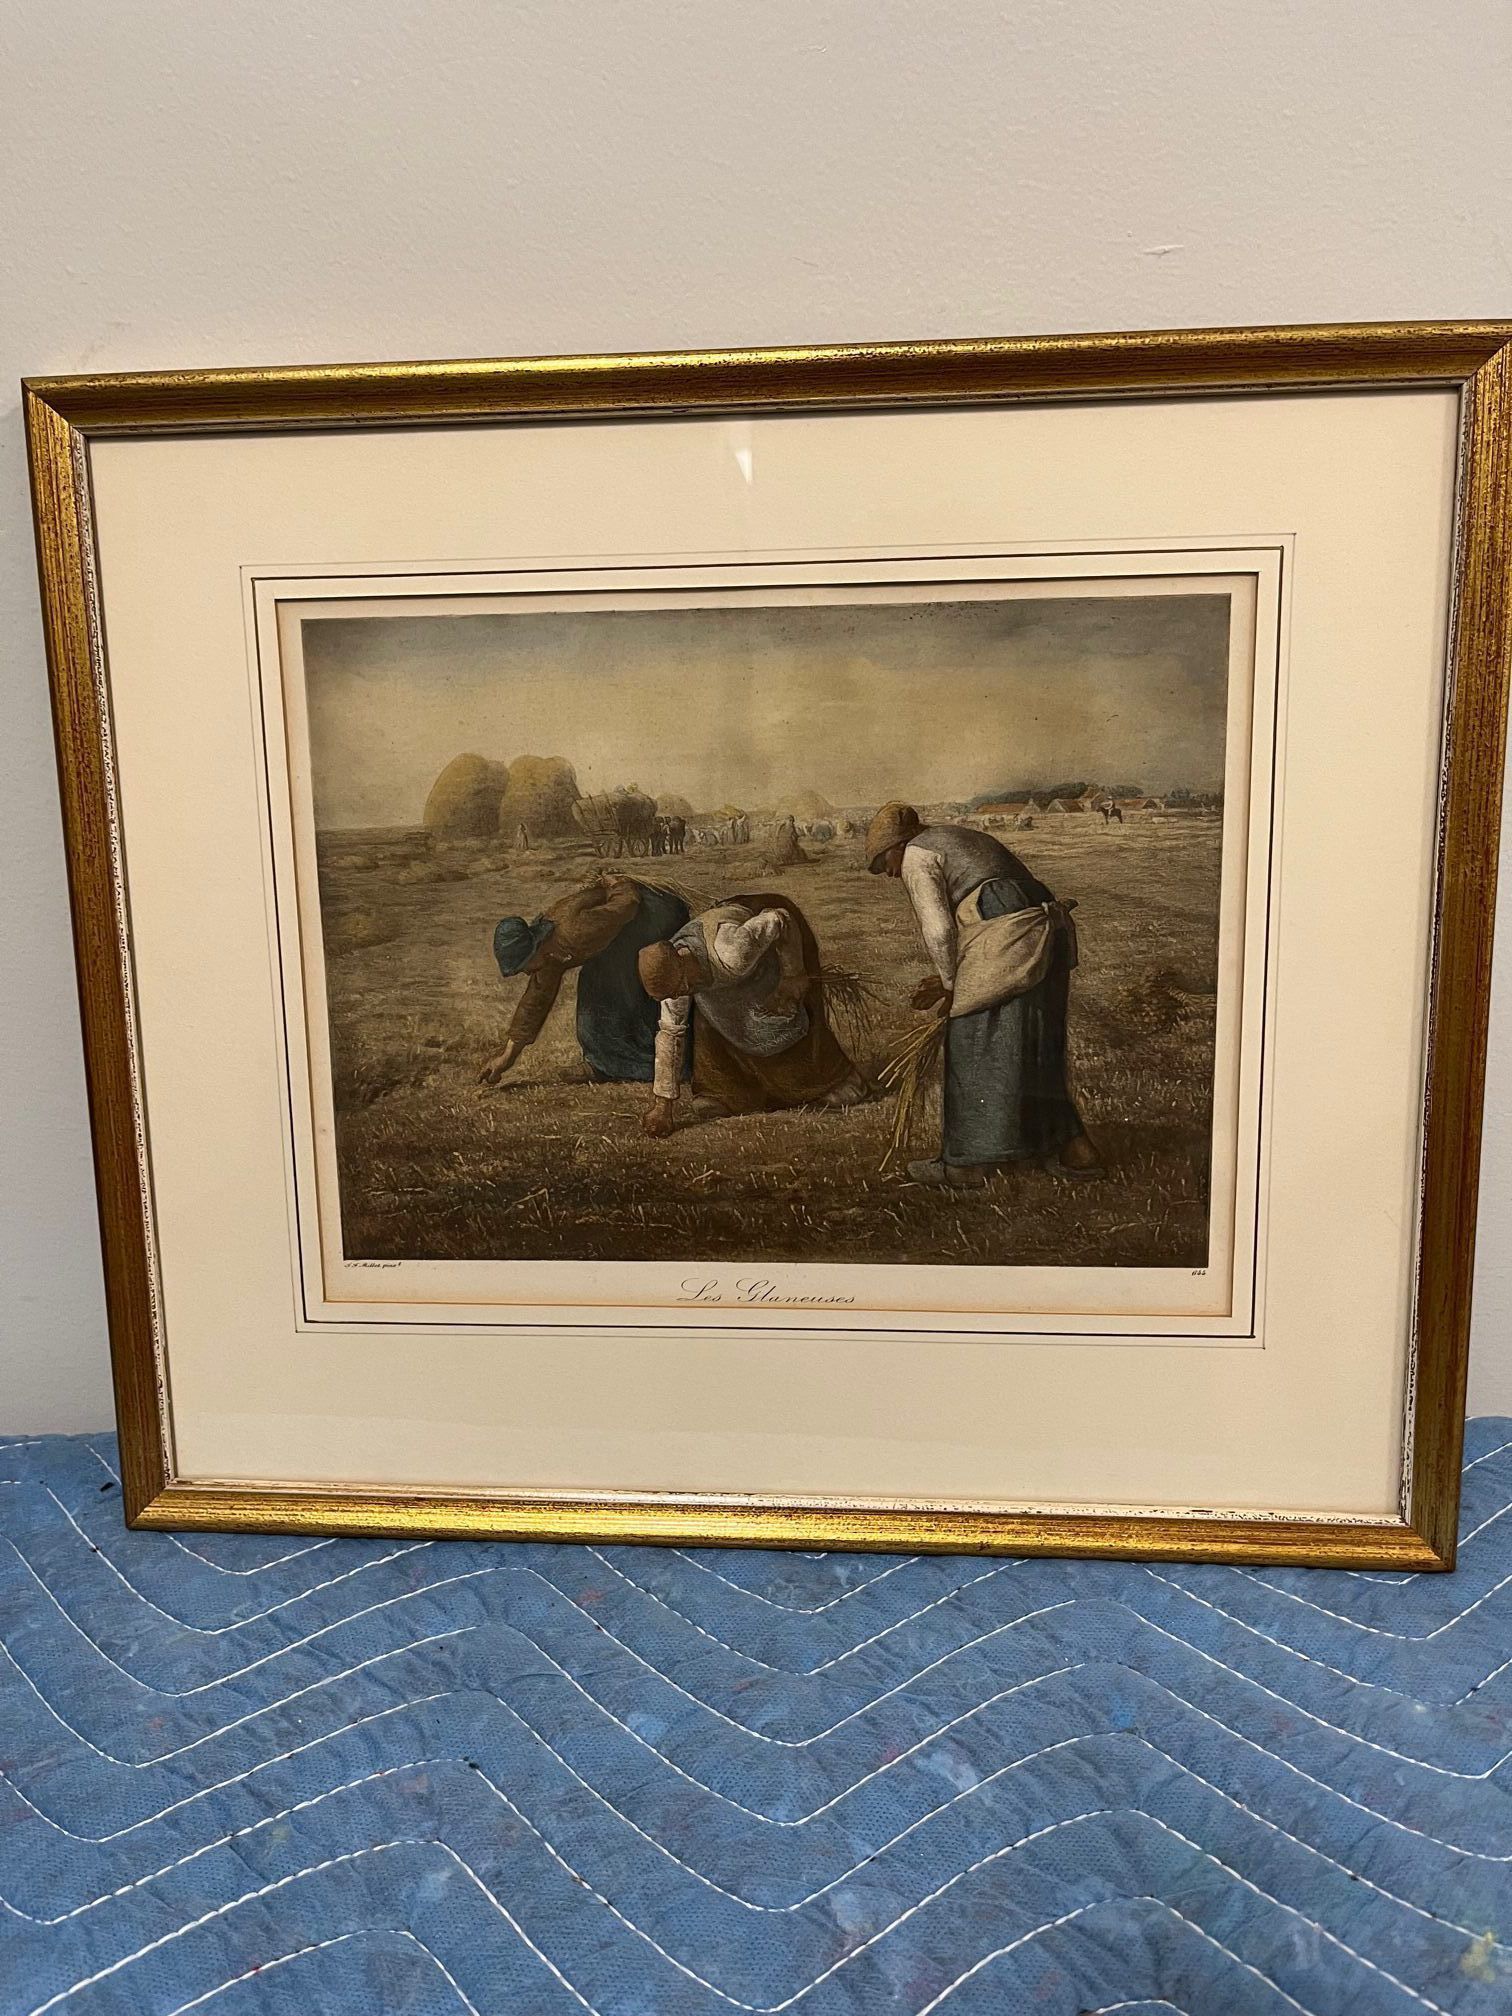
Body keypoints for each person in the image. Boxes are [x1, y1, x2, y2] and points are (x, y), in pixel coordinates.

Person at [866, 801, 1101, 1186]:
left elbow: (939, 931)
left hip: (1007, 926)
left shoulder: (917, 855)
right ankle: (1075, 1151)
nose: (889, 873)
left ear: (899, 846)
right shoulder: (958, 838)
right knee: (1035, 1040)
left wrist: (950, 986)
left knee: (972, 1038)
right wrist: (951, 978)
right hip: (1045, 927)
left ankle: (966, 1165)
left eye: (883, 862)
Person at [636, 893, 867, 1134]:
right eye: (672, 994)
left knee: (784, 1017)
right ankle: (723, 1094)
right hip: (735, 965)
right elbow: (671, 1033)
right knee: (712, 1020)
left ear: (683, 964)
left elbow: (780, 918)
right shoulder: (674, 980)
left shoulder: (731, 951)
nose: (677, 996)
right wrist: (663, 1106)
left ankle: (837, 1081)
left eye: (679, 989)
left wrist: (792, 975)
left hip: (779, 940)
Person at [480, 873, 690, 1085]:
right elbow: (535, 1001)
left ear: (534, 950)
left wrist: (618, 883)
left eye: (523, 966)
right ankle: (604, 1065)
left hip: (654, 913)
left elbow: (627, 904)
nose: (525, 972)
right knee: (596, 985)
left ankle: (660, 1063)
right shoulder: (548, 954)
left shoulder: (574, 929)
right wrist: (506, 1059)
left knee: (613, 983)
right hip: (623, 930)